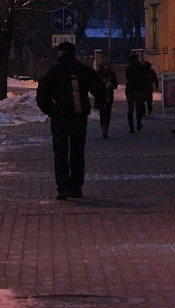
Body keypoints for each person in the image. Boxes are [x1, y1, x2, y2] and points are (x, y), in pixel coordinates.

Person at [36, 42, 106, 200]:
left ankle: (62, 188)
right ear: (74, 53)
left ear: (59, 53)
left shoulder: (51, 72)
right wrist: (99, 103)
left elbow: (41, 97)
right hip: (79, 117)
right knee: (77, 152)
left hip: (59, 119)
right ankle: (76, 187)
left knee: (60, 153)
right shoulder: (83, 70)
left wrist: (51, 111)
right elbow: (100, 89)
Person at [96, 59, 118, 138]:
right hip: (101, 95)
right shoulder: (98, 73)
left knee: (108, 112)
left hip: (109, 95)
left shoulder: (111, 73)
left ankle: (106, 129)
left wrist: (110, 85)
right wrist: (102, 83)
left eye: (107, 65)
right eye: (104, 65)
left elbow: (115, 85)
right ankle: (103, 128)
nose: (106, 67)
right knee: (102, 112)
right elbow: (95, 84)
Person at [125, 54, 145, 133]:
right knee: (138, 108)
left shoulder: (128, 69)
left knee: (130, 109)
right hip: (138, 90)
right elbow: (144, 78)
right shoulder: (140, 68)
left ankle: (131, 127)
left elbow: (127, 78)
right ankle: (139, 125)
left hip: (130, 90)